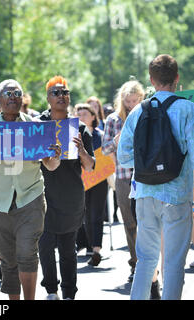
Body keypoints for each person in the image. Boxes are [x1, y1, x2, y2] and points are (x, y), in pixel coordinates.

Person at [0, 79, 62, 300]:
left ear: (22, 98)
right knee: (7, 258)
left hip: (31, 197)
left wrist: (55, 156)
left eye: (17, 93)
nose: (12, 97)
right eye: (7, 94)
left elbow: (50, 165)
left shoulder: (36, 128)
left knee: (28, 251)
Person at [118, 54, 194, 300]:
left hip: (144, 192)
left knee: (146, 260)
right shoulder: (187, 109)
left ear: (151, 80)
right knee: (173, 263)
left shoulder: (138, 111)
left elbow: (123, 157)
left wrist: (147, 164)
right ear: (177, 78)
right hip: (176, 194)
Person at [36, 76, 95, 300]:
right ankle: (51, 290)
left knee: (68, 251)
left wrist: (81, 151)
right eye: (56, 93)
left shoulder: (79, 127)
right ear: (48, 98)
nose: (61, 96)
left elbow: (90, 167)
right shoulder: (38, 125)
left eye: (65, 92)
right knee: (45, 247)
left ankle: (69, 293)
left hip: (71, 198)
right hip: (42, 196)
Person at [102, 79, 145, 282]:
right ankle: (135, 263)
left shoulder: (146, 114)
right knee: (129, 224)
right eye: (128, 101)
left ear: (141, 98)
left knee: (147, 223)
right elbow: (105, 149)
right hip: (123, 177)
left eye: (135, 100)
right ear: (122, 100)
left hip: (146, 177)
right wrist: (115, 142)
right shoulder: (113, 119)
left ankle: (149, 265)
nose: (131, 105)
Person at [75, 103, 108, 266]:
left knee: (96, 214)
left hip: (99, 179)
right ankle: (88, 245)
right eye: (78, 114)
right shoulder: (73, 135)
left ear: (94, 117)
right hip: (80, 180)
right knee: (84, 215)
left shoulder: (100, 135)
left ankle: (96, 249)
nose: (81, 117)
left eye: (85, 114)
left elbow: (106, 158)